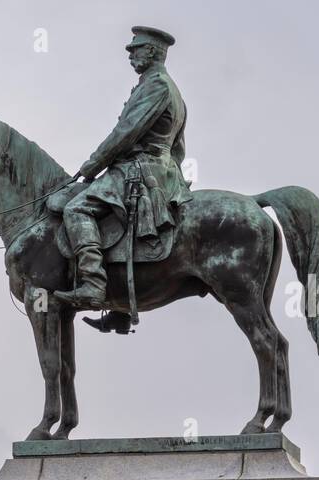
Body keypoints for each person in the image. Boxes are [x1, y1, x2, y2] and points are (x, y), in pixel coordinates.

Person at [54, 25, 192, 316]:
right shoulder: (170, 90)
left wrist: (92, 165)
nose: (130, 54)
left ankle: (93, 284)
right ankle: (119, 308)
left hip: (141, 168)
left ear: (152, 51)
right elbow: (179, 148)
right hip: (161, 169)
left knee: (76, 209)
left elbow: (125, 133)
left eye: (135, 49)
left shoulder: (156, 86)